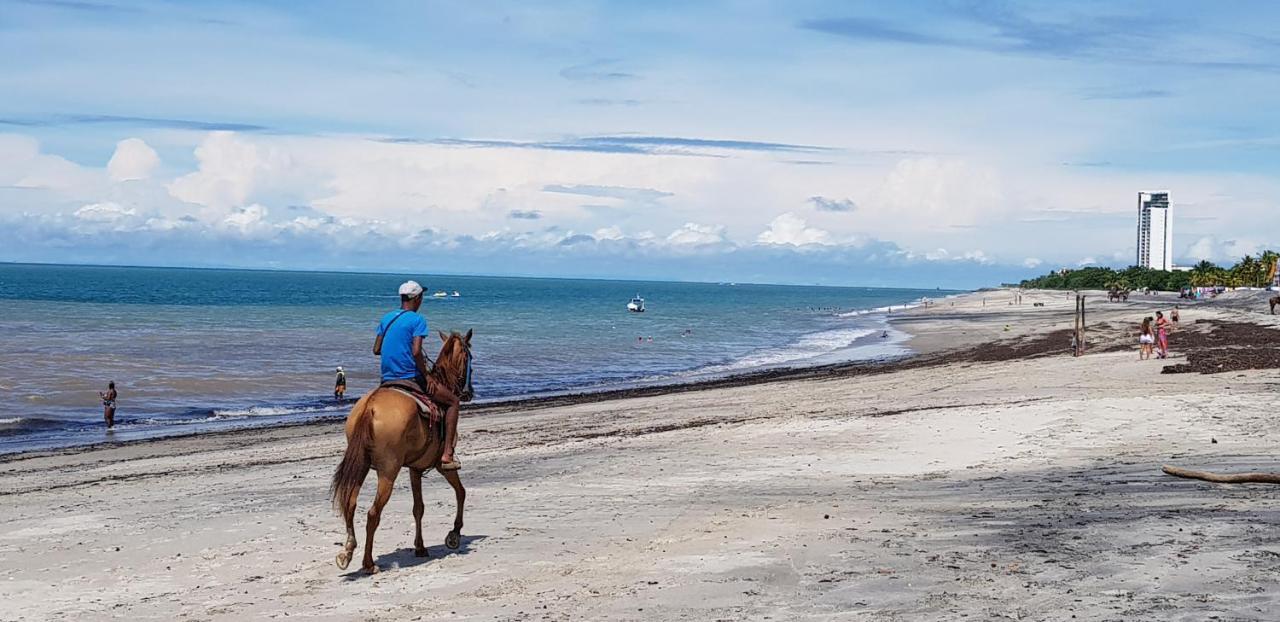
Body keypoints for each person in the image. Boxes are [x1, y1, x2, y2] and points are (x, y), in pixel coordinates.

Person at [374, 280, 462, 468]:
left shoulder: (386, 318)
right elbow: (416, 352)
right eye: (422, 297)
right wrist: (428, 376)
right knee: (453, 401)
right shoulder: (417, 320)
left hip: (387, 378)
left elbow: (376, 349)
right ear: (418, 298)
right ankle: (447, 454)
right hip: (409, 376)